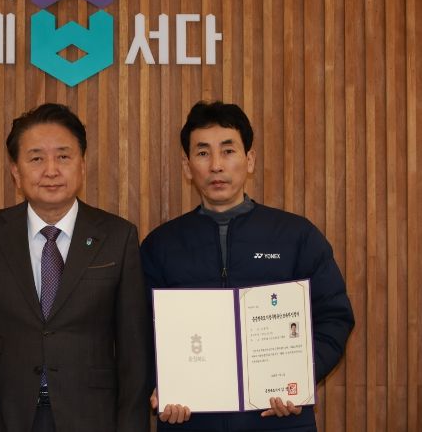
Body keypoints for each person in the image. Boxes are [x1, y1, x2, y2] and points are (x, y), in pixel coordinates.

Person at [142, 100, 354, 431]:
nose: (216, 165)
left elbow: (334, 316)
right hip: (191, 421)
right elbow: (139, 331)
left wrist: (299, 376)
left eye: (228, 151)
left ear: (249, 159)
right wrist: (160, 385)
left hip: (279, 420)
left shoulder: (296, 236)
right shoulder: (160, 245)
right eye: (203, 153)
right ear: (187, 166)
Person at [0, 103, 151, 432]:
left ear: (82, 165)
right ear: (15, 171)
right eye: (36, 159)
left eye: (63, 156)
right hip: (2, 417)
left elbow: (134, 350)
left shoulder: (118, 236)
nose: (51, 170)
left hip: (91, 418)